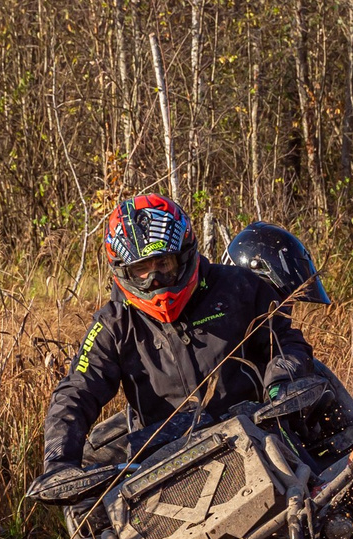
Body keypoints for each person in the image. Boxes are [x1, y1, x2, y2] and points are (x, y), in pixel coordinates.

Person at [37, 196, 326, 489]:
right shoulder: (113, 323)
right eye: (142, 269)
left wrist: (281, 384)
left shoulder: (238, 286)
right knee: (93, 507)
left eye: (163, 263)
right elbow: (77, 390)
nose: (155, 278)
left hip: (259, 435)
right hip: (166, 463)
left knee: (315, 498)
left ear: (184, 254)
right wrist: (59, 463)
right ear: (123, 271)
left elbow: (285, 341)